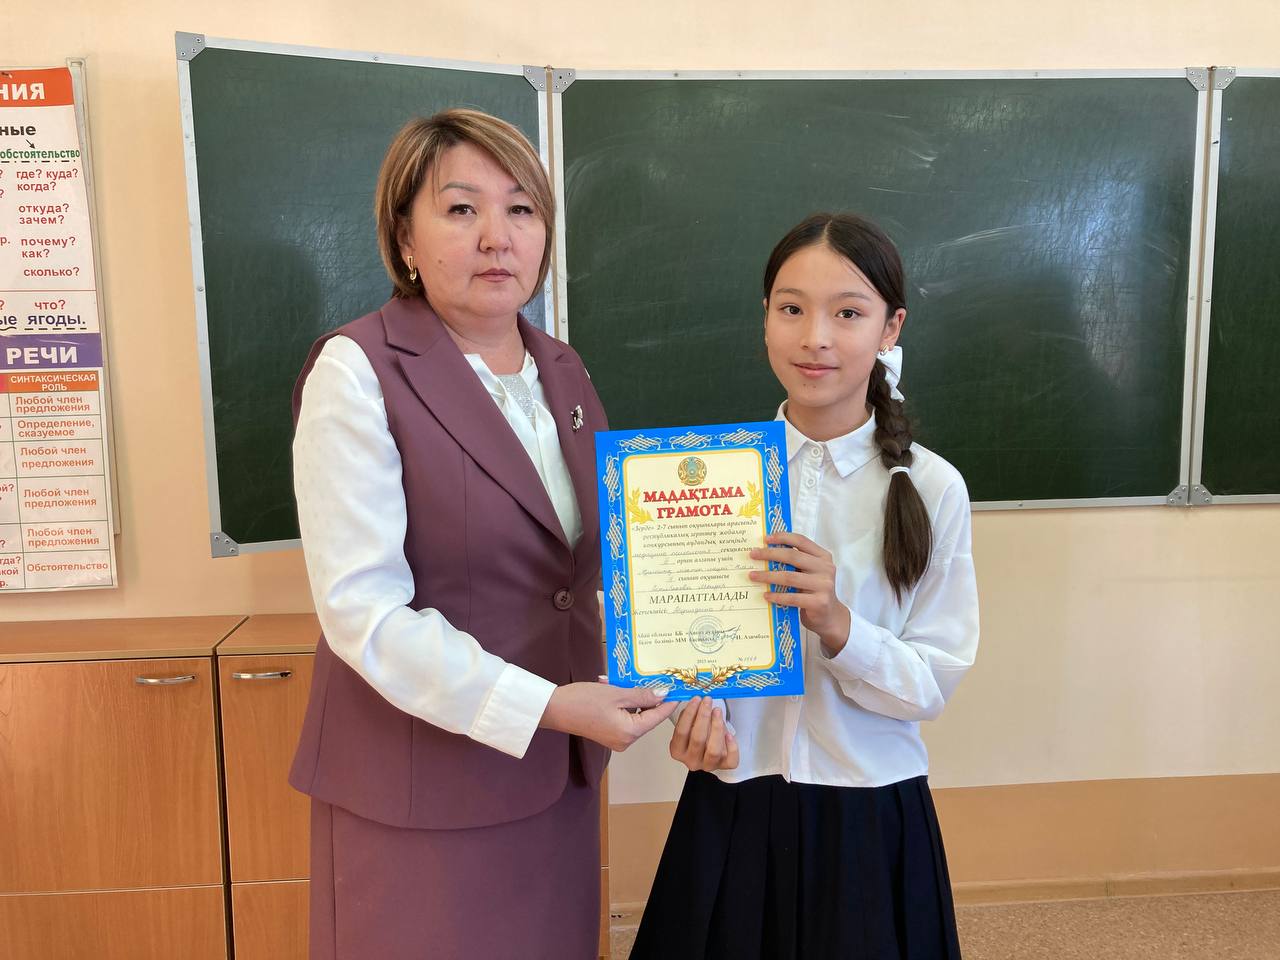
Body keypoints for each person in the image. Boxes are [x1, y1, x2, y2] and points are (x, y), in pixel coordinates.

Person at [288, 109, 676, 960]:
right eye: (461, 209)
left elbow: (596, 567)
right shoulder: (357, 370)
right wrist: (547, 706)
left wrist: (700, 661)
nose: (497, 236)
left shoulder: (561, 367)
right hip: (423, 788)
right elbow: (363, 612)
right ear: (405, 237)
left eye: (521, 209)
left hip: (557, 777)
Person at [631, 212, 980, 959]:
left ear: (890, 329)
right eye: (791, 309)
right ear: (765, 318)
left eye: (848, 313)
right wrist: (693, 711)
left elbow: (931, 683)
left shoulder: (931, 487)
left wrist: (838, 624)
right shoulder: (709, 479)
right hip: (732, 802)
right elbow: (682, 645)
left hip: (869, 814)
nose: (815, 337)